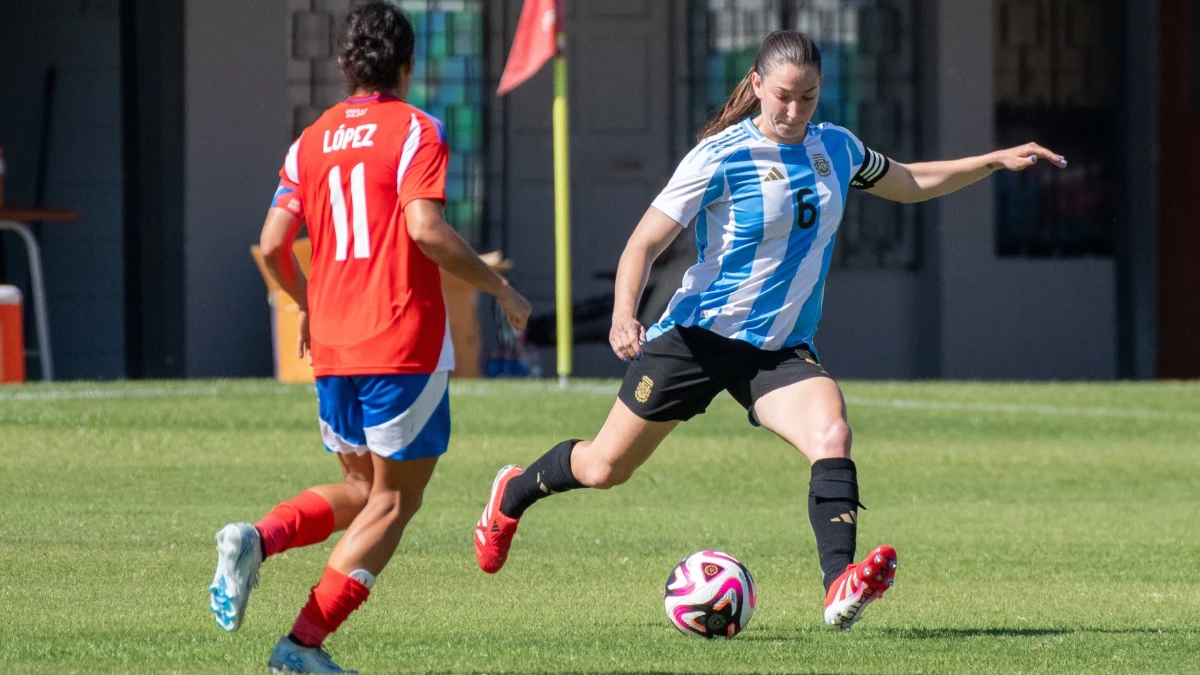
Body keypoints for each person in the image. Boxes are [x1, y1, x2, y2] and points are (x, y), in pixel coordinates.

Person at [473, 29, 1065, 633]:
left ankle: (840, 583)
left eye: (806, 97)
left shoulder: (835, 147)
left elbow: (907, 181)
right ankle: (512, 494)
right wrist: (626, 312)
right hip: (698, 340)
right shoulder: (719, 156)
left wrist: (992, 160)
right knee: (604, 468)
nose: (792, 110)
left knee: (831, 432)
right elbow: (643, 243)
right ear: (756, 85)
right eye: (782, 95)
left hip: (778, 351)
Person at [208, 4, 531, 673]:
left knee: (359, 488)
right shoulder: (417, 129)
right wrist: (500, 289)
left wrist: (307, 309)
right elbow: (425, 229)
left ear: (344, 66)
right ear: (407, 66)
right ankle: (301, 644)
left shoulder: (313, 137)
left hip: (334, 345)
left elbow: (273, 245)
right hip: (400, 341)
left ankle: (256, 538)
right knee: (394, 500)